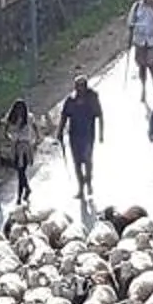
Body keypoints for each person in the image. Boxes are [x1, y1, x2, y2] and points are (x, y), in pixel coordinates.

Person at [58, 74, 103, 208]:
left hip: (88, 135)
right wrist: (59, 132)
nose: (79, 89)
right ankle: (81, 188)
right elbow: (64, 116)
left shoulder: (92, 98)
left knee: (87, 160)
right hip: (74, 136)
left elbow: (100, 115)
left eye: (82, 86)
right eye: (77, 86)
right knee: (77, 163)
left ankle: (88, 182)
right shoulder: (71, 100)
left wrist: (101, 133)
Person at [5, 96, 38, 206]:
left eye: (21, 108)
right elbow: (5, 129)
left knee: (21, 171)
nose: (20, 111)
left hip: (25, 147)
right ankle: (27, 188)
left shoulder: (29, 118)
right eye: (18, 109)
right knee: (20, 171)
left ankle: (19, 196)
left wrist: (36, 139)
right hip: (15, 146)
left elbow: (35, 128)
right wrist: (9, 137)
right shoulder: (12, 119)